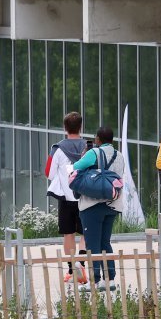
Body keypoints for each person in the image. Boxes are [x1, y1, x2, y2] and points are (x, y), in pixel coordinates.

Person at [72, 126, 127, 291]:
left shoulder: (93, 153)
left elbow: (76, 167)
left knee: (92, 243)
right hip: (113, 204)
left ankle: (94, 281)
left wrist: (84, 156)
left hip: (92, 204)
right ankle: (109, 280)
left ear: (97, 139)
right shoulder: (120, 156)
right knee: (105, 242)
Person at [46, 112, 89, 284]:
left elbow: (48, 173)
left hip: (65, 197)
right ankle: (82, 265)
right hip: (85, 197)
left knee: (68, 234)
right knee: (85, 233)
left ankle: (72, 271)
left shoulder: (57, 149)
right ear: (81, 127)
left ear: (64, 128)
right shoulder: (90, 147)